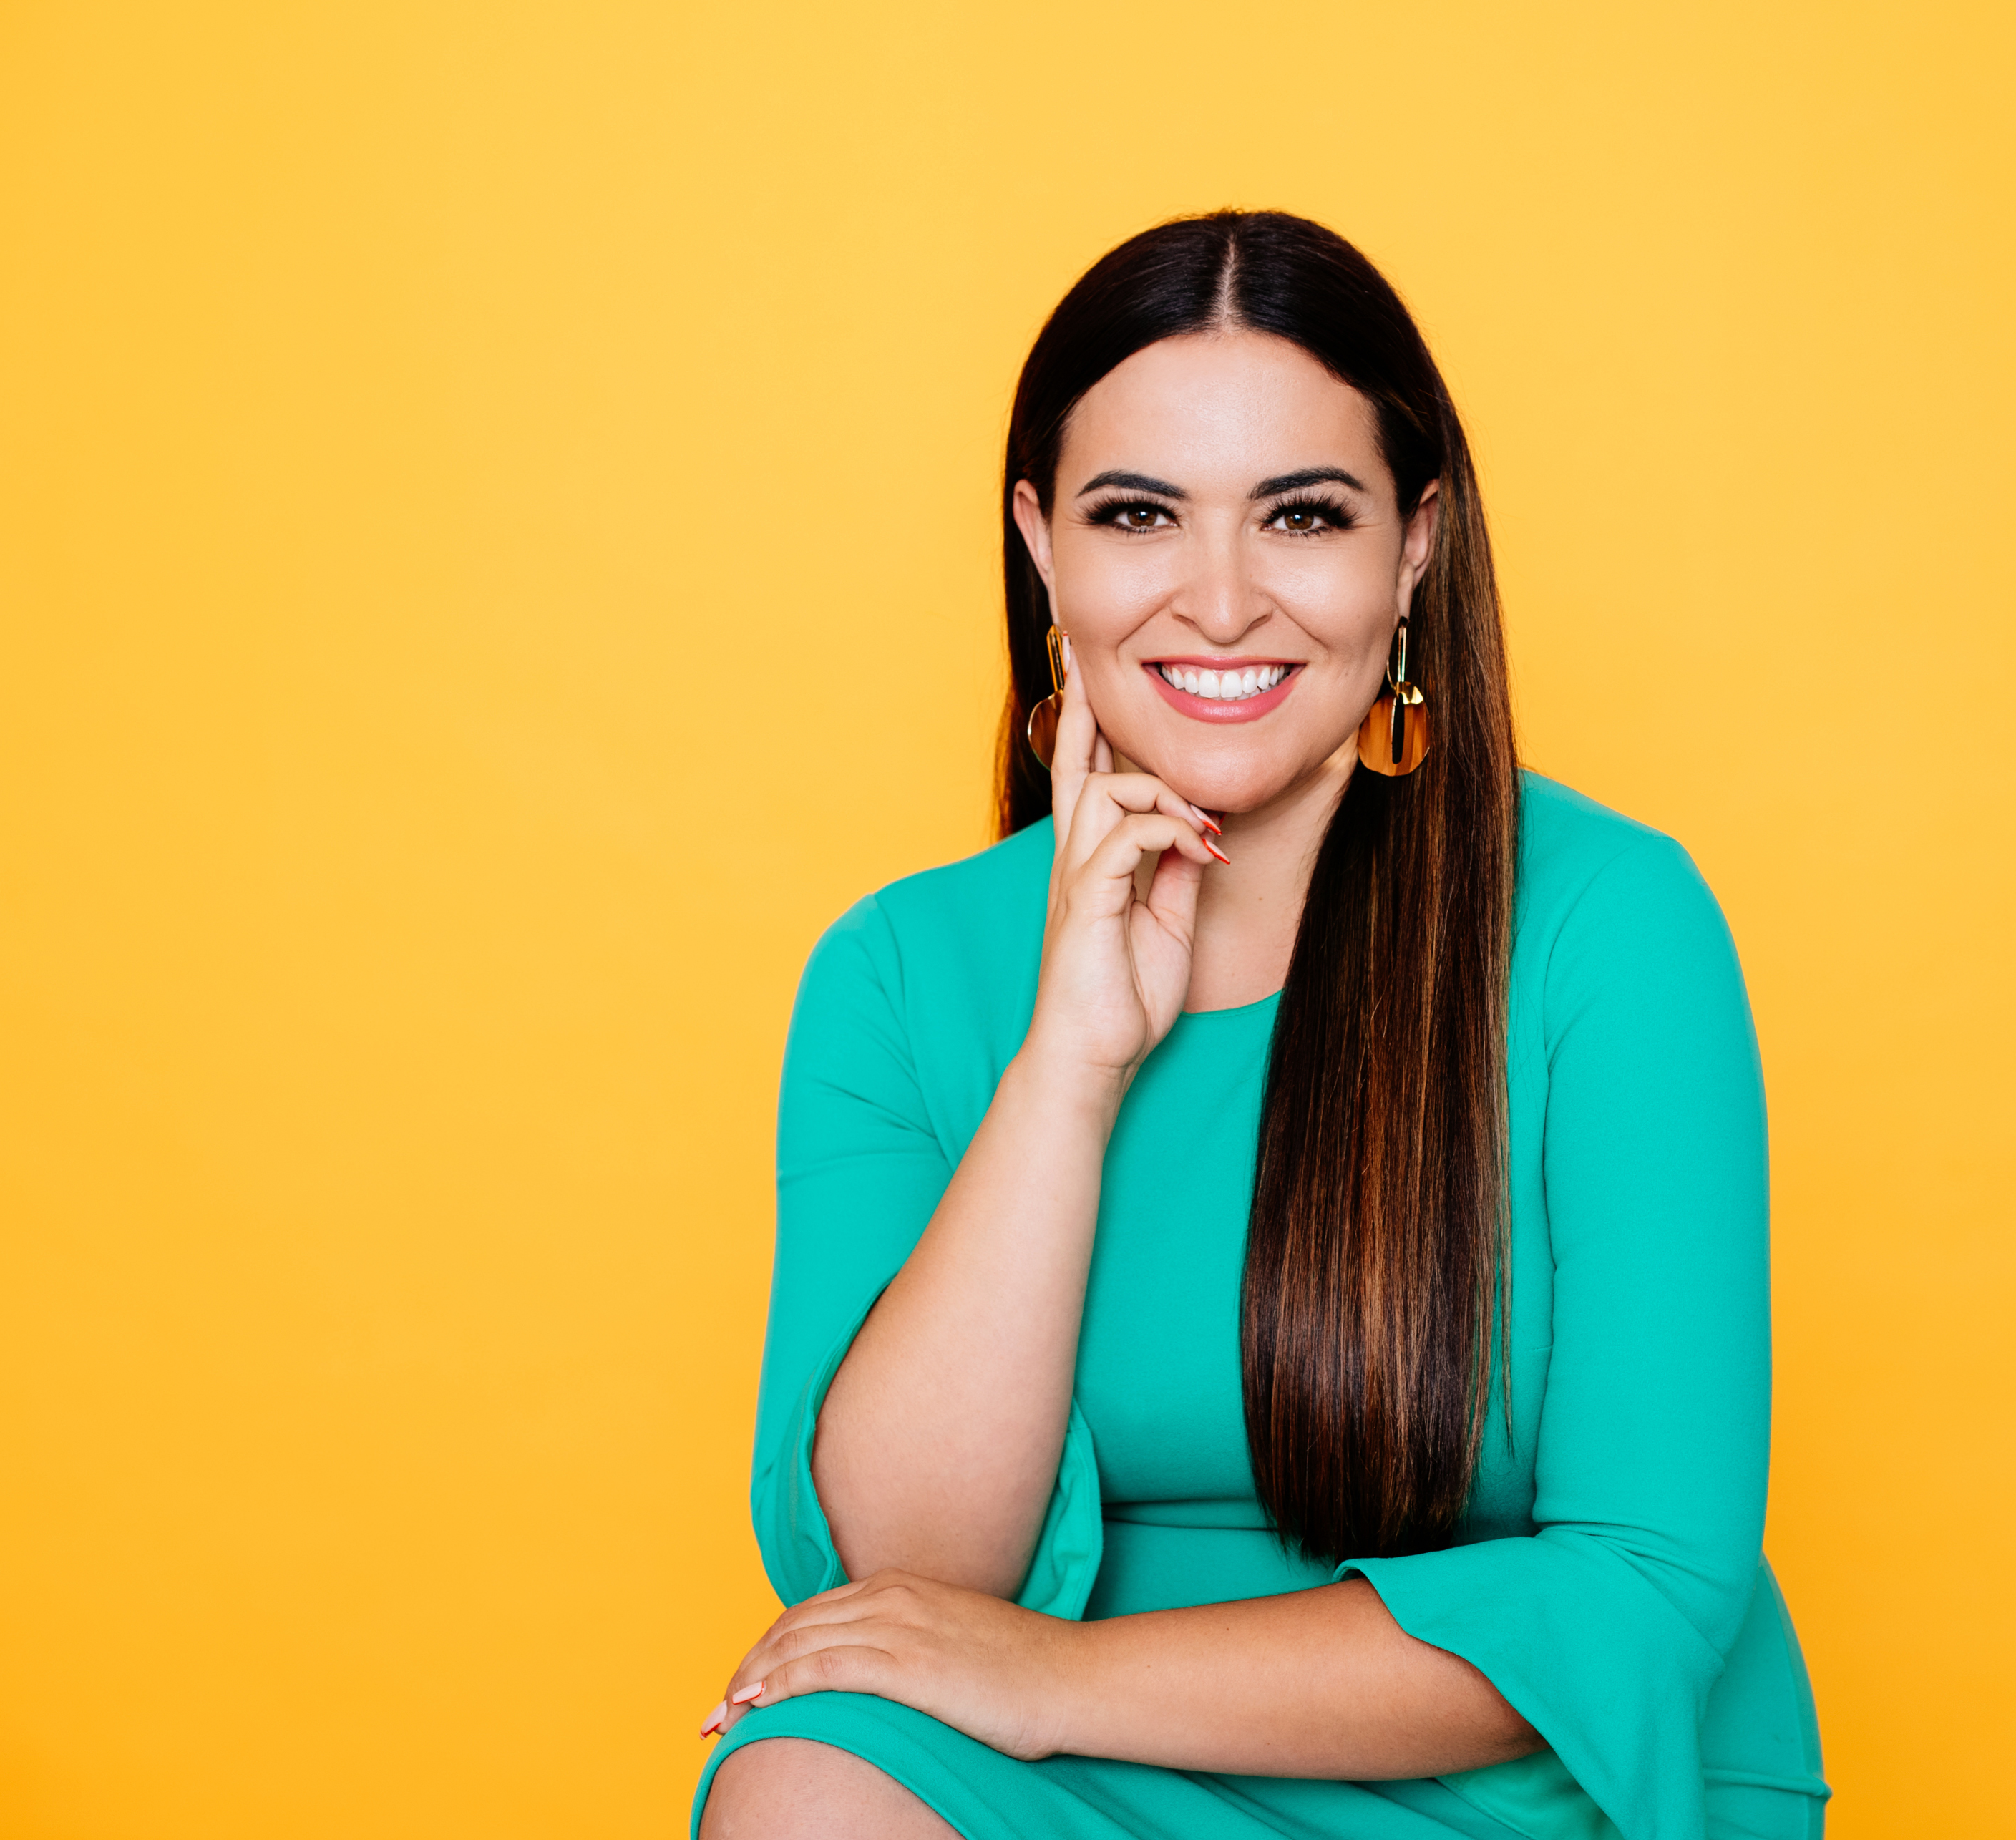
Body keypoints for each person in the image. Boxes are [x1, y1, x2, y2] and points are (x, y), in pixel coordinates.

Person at [693, 210, 1828, 1840]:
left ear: (1415, 544)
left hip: (1514, 1775)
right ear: (1042, 543)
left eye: (1301, 515)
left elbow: (1646, 1586)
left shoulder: (1608, 923)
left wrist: (1054, 1678)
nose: (1220, 602)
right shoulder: (896, 969)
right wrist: (1071, 1065)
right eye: (1138, 514)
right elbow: (910, 1587)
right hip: (1060, 1769)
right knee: (809, 1784)